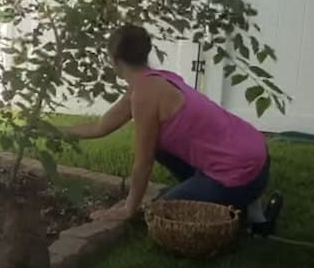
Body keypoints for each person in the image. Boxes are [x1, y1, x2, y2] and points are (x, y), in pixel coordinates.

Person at [65, 24, 282, 234]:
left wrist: (128, 208)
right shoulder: (160, 79)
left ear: (113, 59)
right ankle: (250, 211)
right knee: (161, 146)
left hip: (242, 175)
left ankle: (246, 214)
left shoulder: (145, 93)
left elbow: (144, 161)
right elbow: (100, 127)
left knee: (161, 213)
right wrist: (53, 132)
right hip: (257, 156)